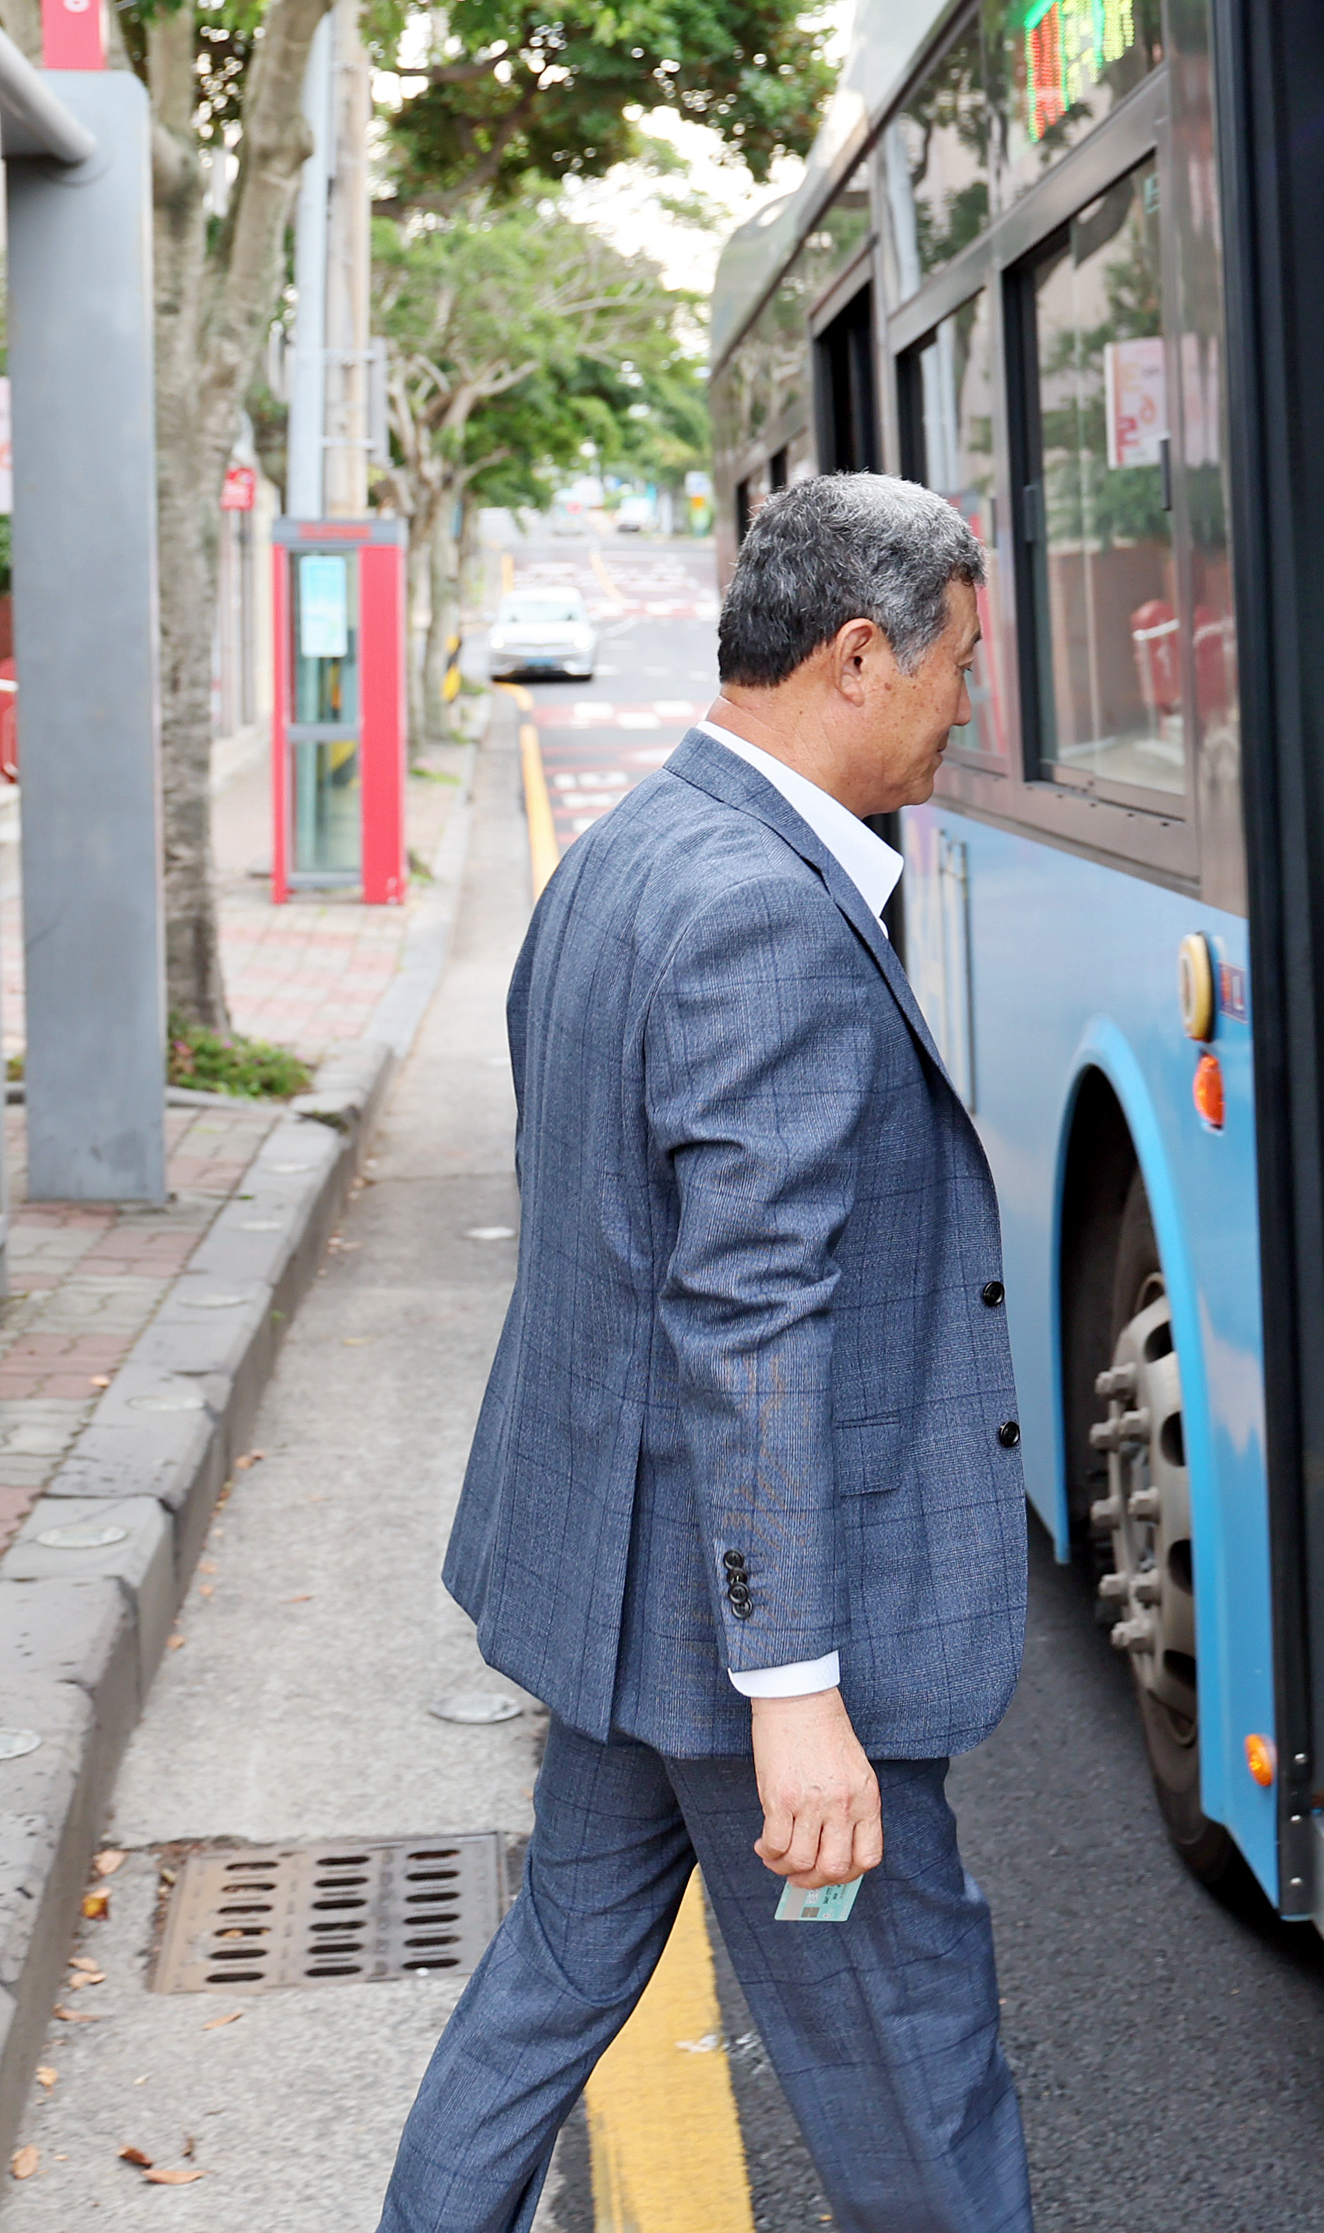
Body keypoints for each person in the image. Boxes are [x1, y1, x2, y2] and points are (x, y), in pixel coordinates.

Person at [380, 475, 1028, 2233]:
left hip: (613, 1589)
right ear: (858, 653)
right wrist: (798, 1694)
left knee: (549, 1988)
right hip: (759, 1644)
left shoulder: (623, 853)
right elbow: (749, 1313)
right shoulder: (760, 909)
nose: (971, 710)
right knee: (914, 2058)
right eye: (962, 665)